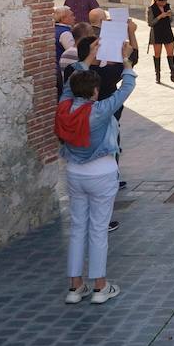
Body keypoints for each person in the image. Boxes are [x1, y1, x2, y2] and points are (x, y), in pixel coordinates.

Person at [59, 46, 135, 307]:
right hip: (101, 172)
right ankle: (100, 286)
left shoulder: (64, 106)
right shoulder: (100, 110)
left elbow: (70, 85)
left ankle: (74, 285)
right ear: (94, 91)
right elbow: (126, 87)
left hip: (73, 172)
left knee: (78, 228)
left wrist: (87, 60)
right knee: (98, 230)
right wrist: (125, 59)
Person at [146, 0, 174, 83]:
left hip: (167, 31)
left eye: (165, 2)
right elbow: (150, 23)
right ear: (157, 1)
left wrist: (169, 15)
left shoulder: (167, 6)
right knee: (157, 54)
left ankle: (173, 74)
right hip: (157, 33)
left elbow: (171, 20)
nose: (164, 4)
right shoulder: (151, 8)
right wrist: (160, 16)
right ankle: (158, 75)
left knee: (170, 54)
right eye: (162, 2)